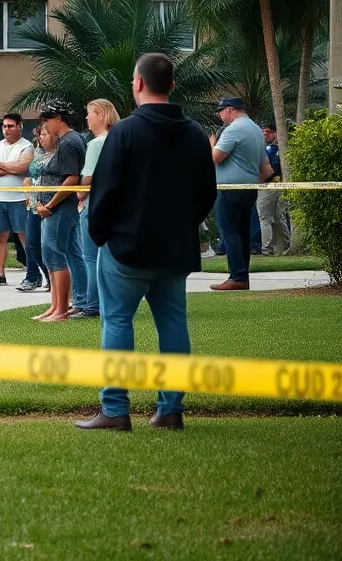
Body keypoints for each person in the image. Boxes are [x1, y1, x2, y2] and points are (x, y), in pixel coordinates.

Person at [78, 53, 217, 431]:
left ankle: (115, 409)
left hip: (127, 248)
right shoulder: (194, 133)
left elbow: (104, 192)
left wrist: (101, 235)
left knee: (117, 321)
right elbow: (207, 192)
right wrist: (183, 226)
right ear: (172, 85)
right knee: (173, 323)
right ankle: (170, 409)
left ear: (138, 83)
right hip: (175, 248)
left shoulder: (124, 132)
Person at [209, 98, 272, 292]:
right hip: (249, 188)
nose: (220, 115)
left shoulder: (233, 129)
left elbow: (215, 158)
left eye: (221, 111)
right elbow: (265, 167)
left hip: (229, 189)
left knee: (229, 232)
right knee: (243, 233)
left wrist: (211, 143)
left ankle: (237, 277)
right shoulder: (255, 129)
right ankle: (242, 277)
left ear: (230, 110)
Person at [33, 100, 88, 322]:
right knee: (60, 255)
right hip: (59, 209)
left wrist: (50, 205)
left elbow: (72, 179)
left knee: (55, 257)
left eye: (48, 120)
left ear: (58, 119)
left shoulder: (69, 142)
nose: (46, 125)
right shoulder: (70, 140)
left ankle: (61, 309)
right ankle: (57, 305)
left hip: (60, 210)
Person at [74, 99, 120, 319]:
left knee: (90, 257)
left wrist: (79, 193)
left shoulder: (96, 144)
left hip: (94, 205)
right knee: (109, 257)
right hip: (116, 205)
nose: (87, 118)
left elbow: (88, 178)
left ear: (101, 114)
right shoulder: (119, 140)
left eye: (90, 113)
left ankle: (92, 304)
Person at [0, 113, 33, 285]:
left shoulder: (26, 146)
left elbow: (21, 168)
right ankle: (0, 274)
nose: (6, 129)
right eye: (4, 126)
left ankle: (34, 273)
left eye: (10, 126)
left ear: (19, 126)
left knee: (25, 236)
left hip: (19, 198)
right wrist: (11, 167)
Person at [17, 124, 53, 293]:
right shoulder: (37, 149)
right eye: (39, 134)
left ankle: (56, 279)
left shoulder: (60, 151)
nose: (40, 137)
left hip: (49, 203)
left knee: (50, 245)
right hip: (34, 202)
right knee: (32, 243)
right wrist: (28, 186)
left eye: (44, 134)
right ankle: (47, 276)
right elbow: (32, 174)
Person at [257, 123, 289, 256]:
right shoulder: (282, 149)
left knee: (265, 218)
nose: (264, 135)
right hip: (280, 185)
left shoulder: (269, 150)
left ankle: (267, 249)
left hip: (268, 185)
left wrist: (259, 180)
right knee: (279, 218)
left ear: (274, 133)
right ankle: (286, 245)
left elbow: (268, 170)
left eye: (266, 132)